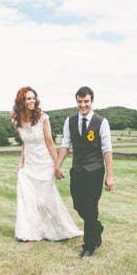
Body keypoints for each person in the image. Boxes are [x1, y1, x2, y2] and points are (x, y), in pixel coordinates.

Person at [12, 87, 82, 243]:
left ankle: (60, 230)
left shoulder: (43, 118)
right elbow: (25, 144)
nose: (31, 101)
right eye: (28, 98)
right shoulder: (17, 121)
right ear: (21, 101)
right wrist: (20, 163)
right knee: (28, 199)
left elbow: (50, 143)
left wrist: (57, 166)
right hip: (29, 166)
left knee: (46, 200)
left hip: (44, 164)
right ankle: (30, 234)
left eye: (33, 98)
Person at [54, 86, 115, 258]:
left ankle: (89, 245)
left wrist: (110, 176)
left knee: (90, 207)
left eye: (86, 101)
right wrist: (57, 166)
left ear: (92, 101)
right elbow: (66, 145)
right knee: (78, 205)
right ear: (77, 102)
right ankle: (97, 227)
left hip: (95, 171)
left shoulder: (102, 122)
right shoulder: (70, 121)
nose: (83, 105)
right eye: (80, 101)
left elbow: (107, 150)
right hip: (77, 171)